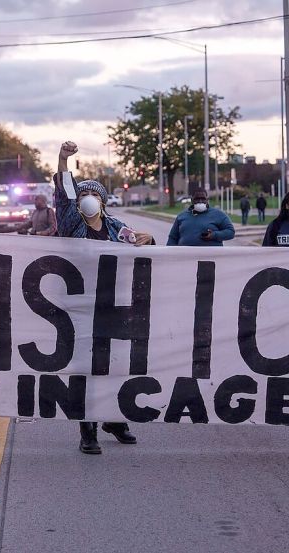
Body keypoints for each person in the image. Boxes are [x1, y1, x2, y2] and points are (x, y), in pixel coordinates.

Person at [55, 140, 153, 455]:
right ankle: (88, 430)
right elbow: (64, 194)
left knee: (113, 365)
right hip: (81, 307)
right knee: (86, 369)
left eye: (94, 194)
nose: (88, 198)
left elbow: (141, 253)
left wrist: (149, 240)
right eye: (83, 194)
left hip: (112, 305)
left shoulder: (115, 228)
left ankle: (113, 420)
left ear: (103, 201)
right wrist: (63, 160)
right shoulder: (71, 225)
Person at [167, 188, 235, 246]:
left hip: (211, 255)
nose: (200, 201)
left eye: (203, 199)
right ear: (192, 200)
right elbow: (172, 238)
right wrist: (170, 253)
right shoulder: (182, 216)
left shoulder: (218, 214)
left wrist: (214, 235)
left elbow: (231, 232)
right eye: (197, 199)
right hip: (186, 255)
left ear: (207, 200)